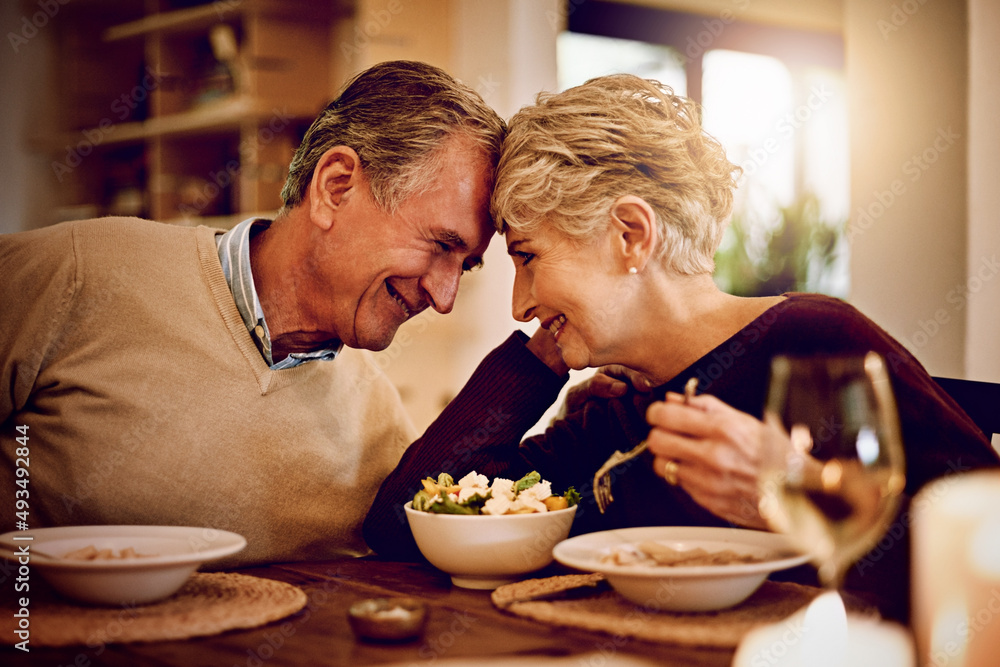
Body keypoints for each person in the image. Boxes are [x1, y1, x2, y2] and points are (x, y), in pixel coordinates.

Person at [362, 73, 999, 621]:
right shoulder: (612, 407)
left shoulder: (814, 343)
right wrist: (541, 358)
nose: (518, 304)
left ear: (632, 235)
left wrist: (799, 497)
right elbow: (405, 523)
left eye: (528, 257)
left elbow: (987, 557)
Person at [0, 60, 506, 566]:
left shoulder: (378, 424)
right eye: (442, 244)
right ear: (336, 186)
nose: (445, 297)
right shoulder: (79, 271)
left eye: (467, 266)